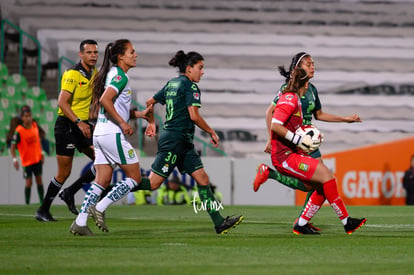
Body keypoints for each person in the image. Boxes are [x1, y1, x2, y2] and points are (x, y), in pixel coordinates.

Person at [91, 50, 244, 235]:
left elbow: (150, 101)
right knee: (153, 184)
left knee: (202, 179)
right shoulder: (190, 87)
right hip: (174, 140)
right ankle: (108, 192)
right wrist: (211, 131)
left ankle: (219, 222)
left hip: (183, 141)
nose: (202, 72)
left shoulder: (172, 83)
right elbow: (194, 116)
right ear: (189, 69)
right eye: (200, 68)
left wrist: (153, 123)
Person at [254, 52, 362, 232]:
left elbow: (319, 115)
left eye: (313, 64)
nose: (313, 67)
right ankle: (308, 220)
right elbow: (270, 114)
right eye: (309, 64)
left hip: (307, 141)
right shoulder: (288, 91)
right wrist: (270, 140)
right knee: (320, 180)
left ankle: (303, 221)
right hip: (294, 141)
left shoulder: (311, 89)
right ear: (299, 68)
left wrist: (345, 119)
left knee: (318, 182)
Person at [69, 39, 152, 236]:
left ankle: (80, 222)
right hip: (111, 133)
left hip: (100, 132)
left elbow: (114, 105)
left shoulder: (112, 74)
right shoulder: (120, 76)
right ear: (120, 56)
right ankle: (101, 206)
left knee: (102, 179)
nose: (136, 55)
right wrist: (123, 124)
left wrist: (138, 115)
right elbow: (105, 100)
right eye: (132, 52)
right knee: (135, 177)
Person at [35, 39, 99, 221]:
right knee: (64, 172)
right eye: (89, 52)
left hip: (83, 125)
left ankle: (70, 192)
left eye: (95, 52)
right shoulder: (73, 74)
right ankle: (43, 209)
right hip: (67, 126)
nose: (93, 56)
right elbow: (62, 102)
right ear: (81, 54)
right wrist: (79, 121)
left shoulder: (93, 74)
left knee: (103, 161)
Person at [10, 105, 44, 205]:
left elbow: (38, 141)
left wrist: (41, 153)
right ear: (22, 117)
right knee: (29, 182)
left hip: (37, 160)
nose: (28, 118)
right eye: (26, 116)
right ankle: (27, 204)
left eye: (29, 116)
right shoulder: (19, 130)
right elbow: (13, 147)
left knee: (39, 181)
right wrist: (15, 160)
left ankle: (42, 203)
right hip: (26, 162)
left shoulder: (34, 125)